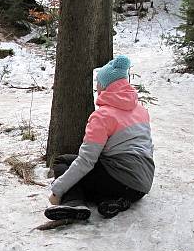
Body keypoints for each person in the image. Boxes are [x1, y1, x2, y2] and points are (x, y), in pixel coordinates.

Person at [45, 55, 154, 221]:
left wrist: (57, 189)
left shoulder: (102, 116)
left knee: (63, 162)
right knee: (103, 175)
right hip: (142, 185)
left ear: (105, 86)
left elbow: (86, 161)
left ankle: (73, 203)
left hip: (118, 180)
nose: (96, 87)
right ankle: (114, 202)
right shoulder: (141, 111)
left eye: (98, 83)